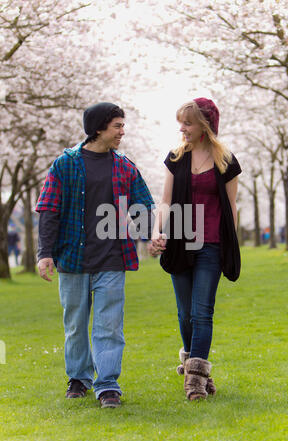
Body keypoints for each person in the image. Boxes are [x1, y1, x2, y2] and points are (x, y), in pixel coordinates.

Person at [36, 102, 154, 408]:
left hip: (112, 259)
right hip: (73, 260)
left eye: (122, 126)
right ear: (99, 127)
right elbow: (48, 209)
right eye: (117, 126)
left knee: (110, 325)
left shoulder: (125, 166)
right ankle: (78, 378)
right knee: (75, 323)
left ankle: (108, 384)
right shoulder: (65, 163)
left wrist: (151, 235)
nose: (122, 132)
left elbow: (142, 205)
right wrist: (44, 253)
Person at [149, 97, 241, 401]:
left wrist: (232, 244)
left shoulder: (225, 161)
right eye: (181, 122)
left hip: (212, 245)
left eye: (187, 123)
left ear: (205, 125)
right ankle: (199, 368)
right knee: (185, 313)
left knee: (203, 312)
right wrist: (157, 230)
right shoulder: (176, 158)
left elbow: (230, 206)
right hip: (179, 242)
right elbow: (165, 200)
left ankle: (195, 383)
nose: (182, 128)